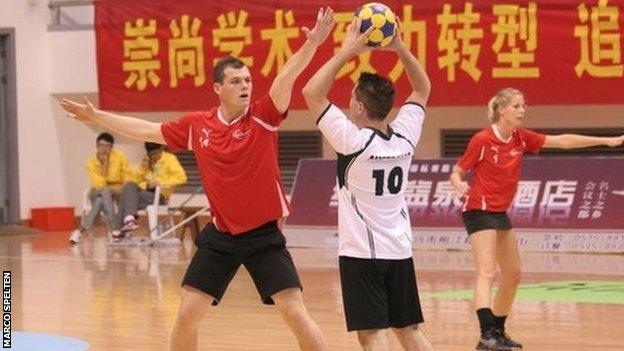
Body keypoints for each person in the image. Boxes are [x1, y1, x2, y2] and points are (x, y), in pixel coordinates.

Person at [59, 7, 335, 351]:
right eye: (236, 81)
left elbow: (285, 78)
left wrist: (312, 46)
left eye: (248, 80)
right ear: (218, 88)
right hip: (220, 234)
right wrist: (97, 116)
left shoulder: (264, 117)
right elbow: (147, 129)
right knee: (188, 313)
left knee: (293, 311)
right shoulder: (198, 125)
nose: (245, 86)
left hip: (264, 234)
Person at [449, 87, 624, 351]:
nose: (522, 110)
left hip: (499, 212)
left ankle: (497, 330)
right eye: (517, 106)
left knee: (514, 275)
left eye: (523, 105)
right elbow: (458, 170)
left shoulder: (520, 138)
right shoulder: (483, 140)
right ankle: (486, 334)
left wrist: (605, 140)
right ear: (502, 110)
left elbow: (562, 141)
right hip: (479, 209)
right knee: (486, 271)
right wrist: (457, 183)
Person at [302, 18, 434, 351]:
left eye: (350, 99)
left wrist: (347, 51)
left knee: (371, 335)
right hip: (400, 250)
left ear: (360, 107)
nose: (347, 104)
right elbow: (422, 89)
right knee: (409, 331)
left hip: (362, 254)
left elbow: (310, 92)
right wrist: (401, 48)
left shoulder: (351, 140)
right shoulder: (405, 135)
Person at [113, 142, 187, 241]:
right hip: (143, 193)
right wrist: (142, 168)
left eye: (156, 153)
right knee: (129, 186)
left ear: (161, 149)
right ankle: (129, 219)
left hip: (159, 196)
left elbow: (182, 178)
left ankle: (121, 227)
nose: (154, 156)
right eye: (151, 154)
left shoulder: (170, 159)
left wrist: (159, 183)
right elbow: (134, 181)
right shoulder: (147, 160)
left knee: (125, 197)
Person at [69, 132, 133, 244]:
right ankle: (114, 229)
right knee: (104, 193)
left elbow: (128, 175)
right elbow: (99, 184)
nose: (104, 149)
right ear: (96, 146)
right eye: (101, 145)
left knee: (100, 201)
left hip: (116, 189)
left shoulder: (119, 157)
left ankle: (79, 232)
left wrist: (122, 187)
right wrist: (104, 165)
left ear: (111, 147)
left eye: (107, 146)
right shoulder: (91, 162)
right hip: (96, 191)